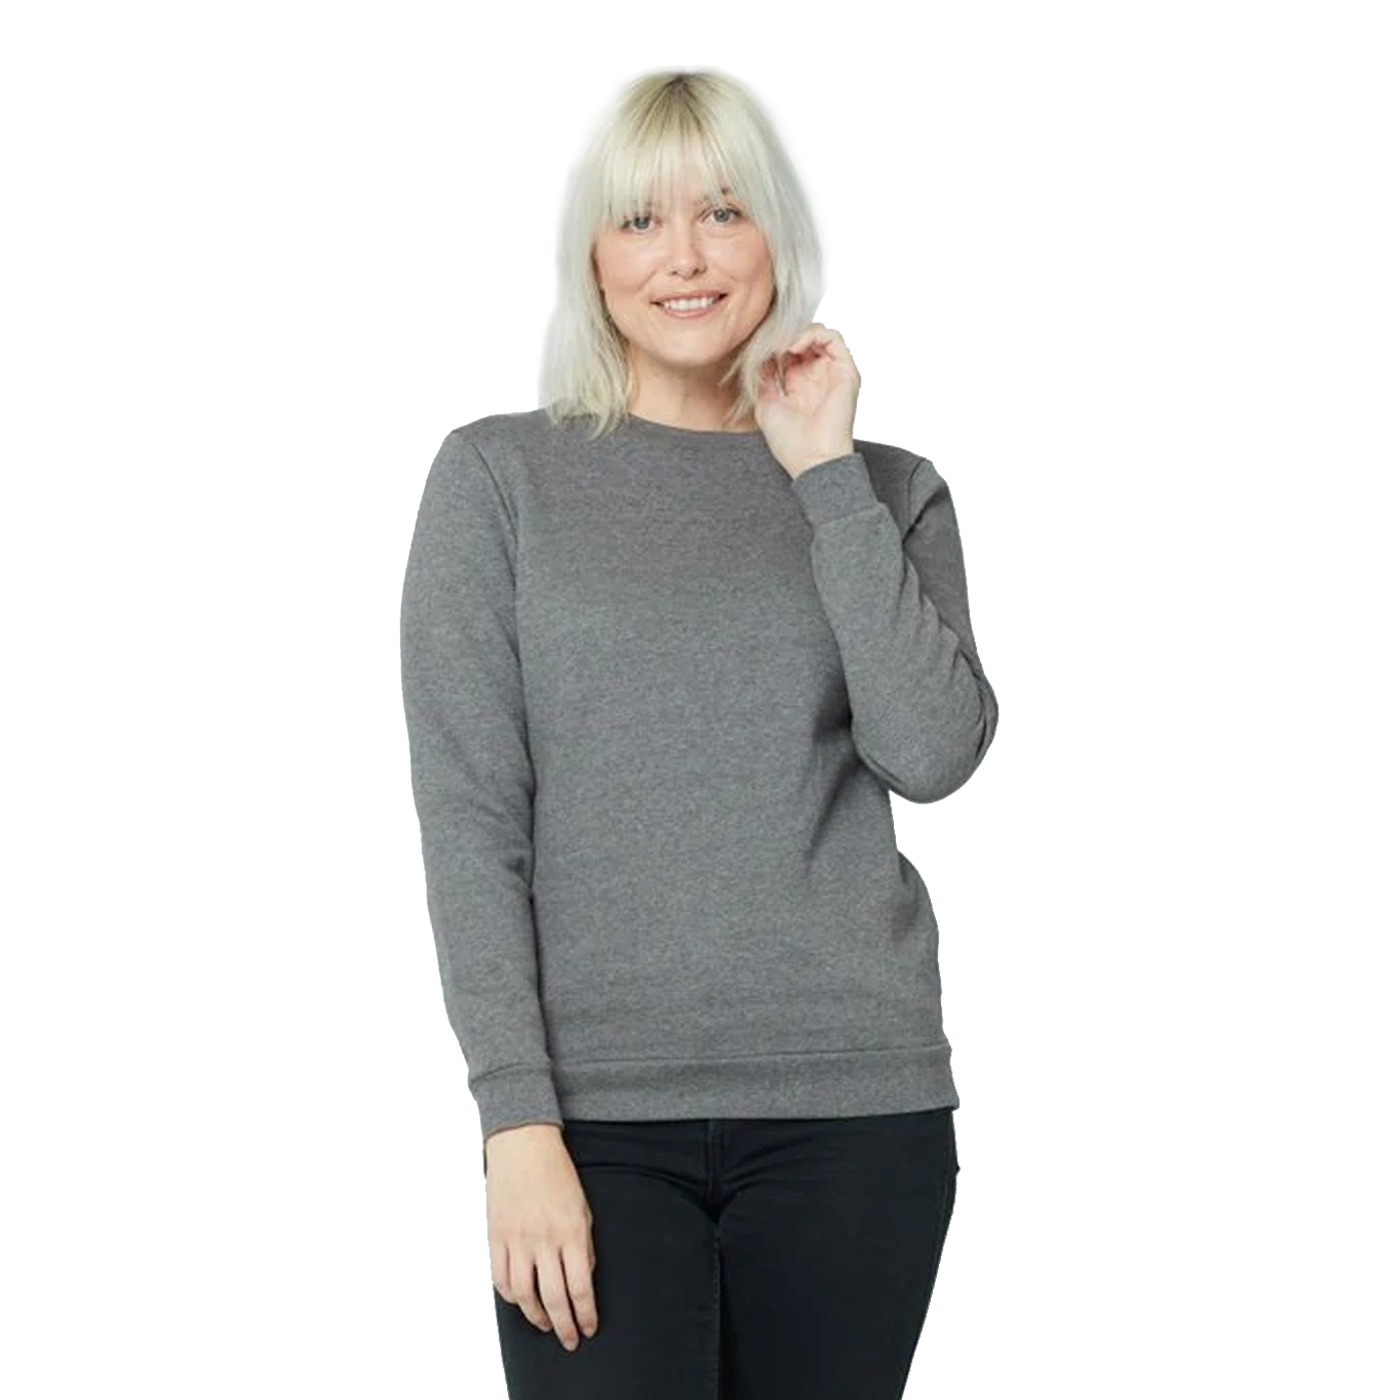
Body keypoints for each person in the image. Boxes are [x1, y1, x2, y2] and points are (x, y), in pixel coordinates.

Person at [400, 68, 999, 1400]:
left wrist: (824, 476)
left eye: (723, 212)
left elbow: (933, 752)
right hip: (592, 1120)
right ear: (593, 258)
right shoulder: (498, 481)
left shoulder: (885, 489)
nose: (684, 256)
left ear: (775, 236)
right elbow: (473, 823)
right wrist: (515, 1120)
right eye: (641, 220)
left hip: (855, 1106)